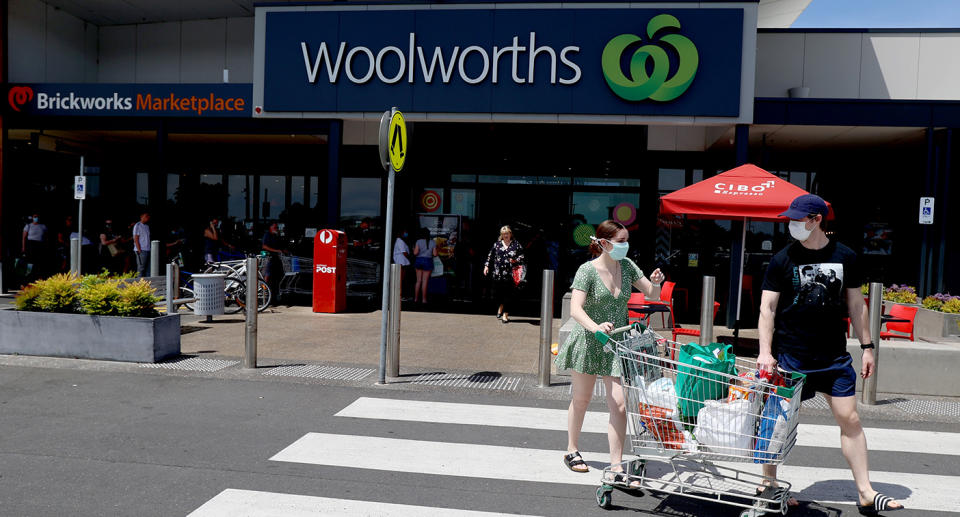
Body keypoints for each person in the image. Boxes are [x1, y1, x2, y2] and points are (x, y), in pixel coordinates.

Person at [758, 194, 904, 514]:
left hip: (832, 357)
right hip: (790, 356)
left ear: (816, 220)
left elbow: (856, 305)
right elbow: (767, 308)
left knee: (849, 418)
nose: (792, 225)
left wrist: (867, 347)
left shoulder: (846, 256)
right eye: (791, 220)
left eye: (798, 220)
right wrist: (765, 352)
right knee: (777, 423)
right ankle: (769, 485)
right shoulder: (782, 259)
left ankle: (865, 491)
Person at [554, 219, 665, 481]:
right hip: (590, 341)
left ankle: (616, 464)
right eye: (620, 241)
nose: (625, 246)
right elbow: (575, 309)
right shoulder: (587, 271)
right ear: (603, 243)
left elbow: (652, 294)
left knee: (620, 404)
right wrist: (596, 327)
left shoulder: (627, 266)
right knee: (582, 399)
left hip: (616, 343)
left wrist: (656, 282)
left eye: (627, 241)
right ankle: (572, 449)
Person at [483, 225, 525, 324]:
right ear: (501, 235)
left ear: (510, 234)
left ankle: (505, 315)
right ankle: (500, 306)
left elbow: (522, 256)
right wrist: (486, 266)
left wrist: (515, 260)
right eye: (504, 234)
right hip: (498, 274)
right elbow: (490, 256)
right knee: (498, 294)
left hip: (511, 274)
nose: (506, 235)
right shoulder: (497, 245)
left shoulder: (516, 245)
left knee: (509, 295)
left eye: (507, 233)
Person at [262, 222, 288, 298]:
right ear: (271, 228)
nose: (277, 229)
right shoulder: (267, 235)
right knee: (268, 274)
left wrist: (283, 250)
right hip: (269, 258)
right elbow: (264, 246)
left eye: (277, 228)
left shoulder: (275, 236)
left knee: (277, 276)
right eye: (275, 227)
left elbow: (279, 246)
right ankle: (265, 290)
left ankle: (274, 293)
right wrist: (277, 251)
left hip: (276, 259)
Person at [412, 228, 437, 304]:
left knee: (418, 281)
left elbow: (415, 253)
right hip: (428, 261)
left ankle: (416, 299)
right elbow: (435, 254)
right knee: (425, 281)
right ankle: (424, 300)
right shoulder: (433, 242)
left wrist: (413, 249)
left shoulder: (418, 241)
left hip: (419, 260)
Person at [21, 213, 48, 279]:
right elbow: (24, 237)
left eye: (37, 217)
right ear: (32, 217)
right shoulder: (28, 226)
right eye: (35, 217)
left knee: (39, 263)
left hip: (40, 245)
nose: (36, 218)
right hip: (31, 245)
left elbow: (46, 237)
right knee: (30, 263)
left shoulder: (43, 226)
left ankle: (39, 278)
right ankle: (28, 277)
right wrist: (23, 247)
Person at [392, 228, 412, 301]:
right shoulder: (400, 241)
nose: (406, 234)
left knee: (401, 279)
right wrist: (410, 258)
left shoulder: (400, 241)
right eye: (405, 232)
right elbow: (404, 252)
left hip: (402, 262)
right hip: (401, 262)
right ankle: (399, 296)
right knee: (400, 280)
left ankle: (400, 295)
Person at [132, 212, 151, 277]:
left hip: (148, 249)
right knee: (141, 269)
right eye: (146, 216)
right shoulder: (137, 225)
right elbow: (136, 238)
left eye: (148, 216)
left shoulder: (147, 226)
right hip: (141, 250)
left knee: (148, 269)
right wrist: (139, 250)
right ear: (141, 216)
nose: (147, 218)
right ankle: (139, 285)